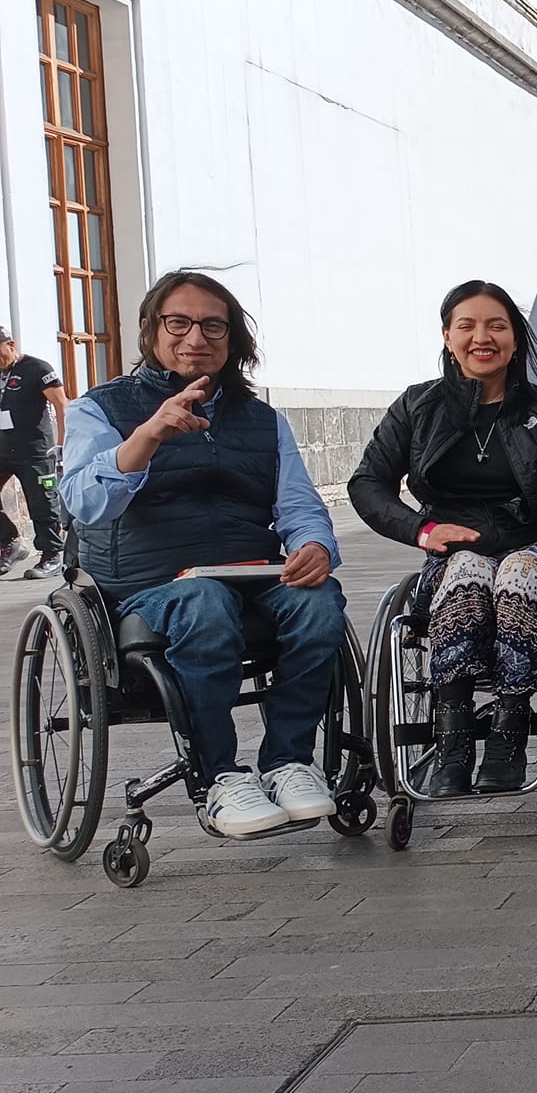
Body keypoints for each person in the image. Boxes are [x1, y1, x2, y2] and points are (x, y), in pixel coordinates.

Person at [58, 271, 347, 838]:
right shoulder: (100, 409)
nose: (197, 337)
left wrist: (315, 545)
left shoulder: (263, 421)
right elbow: (83, 503)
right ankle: (218, 776)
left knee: (319, 602)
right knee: (203, 603)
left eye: (214, 324)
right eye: (179, 322)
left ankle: (289, 761)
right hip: (149, 581)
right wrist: (148, 436)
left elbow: (298, 504)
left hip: (249, 571)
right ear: (151, 330)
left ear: (233, 338)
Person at [350, 282, 537, 797]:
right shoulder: (417, 407)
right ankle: (453, 741)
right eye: (468, 326)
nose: (483, 337)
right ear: (447, 336)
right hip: (455, 553)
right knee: (468, 569)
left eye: (496, 325)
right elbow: (366, 485)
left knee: (518, 570)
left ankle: (508, 737)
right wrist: (422, 529)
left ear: (515, 339)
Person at [0, 326, 66, 579]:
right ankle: (10, 541)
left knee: (42, 502)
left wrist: (62, 445)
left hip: (35, 449)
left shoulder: (37, 369)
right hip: (4, 446)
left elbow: (62, 405)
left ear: (11, 345)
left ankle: (51, 555)